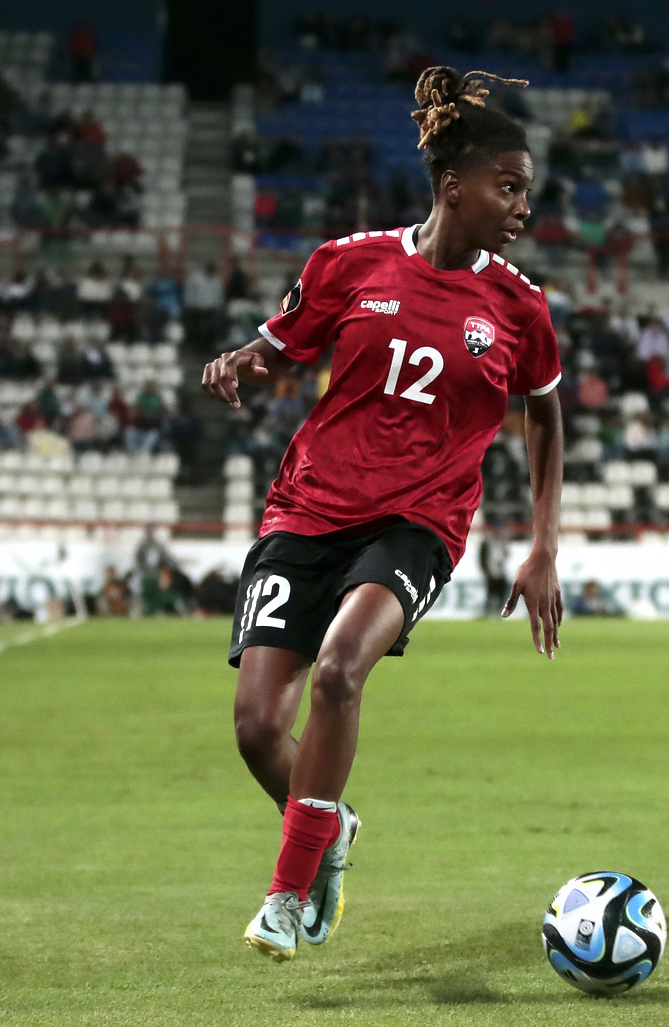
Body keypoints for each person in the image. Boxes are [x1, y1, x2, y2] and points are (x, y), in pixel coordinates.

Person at [200, 66, 563, 964]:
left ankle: (288, 893)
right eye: (507, 186)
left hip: (420, 523)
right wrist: (241, 361)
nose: (522, 206)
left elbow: (546, 412)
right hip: (308, 508)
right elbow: (281, 343)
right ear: (453, 186)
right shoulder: (349, 262)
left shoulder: (519, 307)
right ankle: (329, 825)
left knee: (336, 673)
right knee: (254, 729)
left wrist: (543, 546)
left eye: (527, 191)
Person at [478, 524, 510, 616]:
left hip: (501, 571)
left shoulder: (503, 542)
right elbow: (482, 557)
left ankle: (500, 611)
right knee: (490, 593)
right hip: (491, 571)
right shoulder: (487, 542)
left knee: (502, 593)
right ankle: (487, 611)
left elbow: (507, 555)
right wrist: (484, 569)